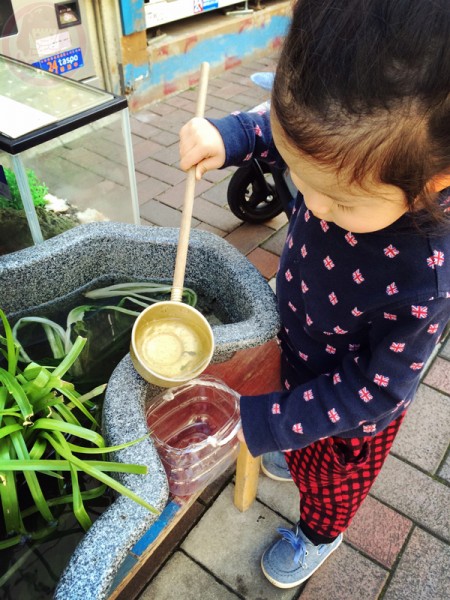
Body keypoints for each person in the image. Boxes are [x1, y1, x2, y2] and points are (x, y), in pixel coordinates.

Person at [179, 0, 450, 589]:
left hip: (349, 414)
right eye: (301, 177)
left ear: (433, 182)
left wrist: (263, 421)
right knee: (291, 434)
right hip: (301, 346)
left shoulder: (425, 280)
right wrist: (232, 135)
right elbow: (296, 139)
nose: (310, 206)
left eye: (343, 202)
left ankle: (320, 536)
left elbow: (375, 391)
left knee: (327, 484)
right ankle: (293, 439)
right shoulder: (342, 151)